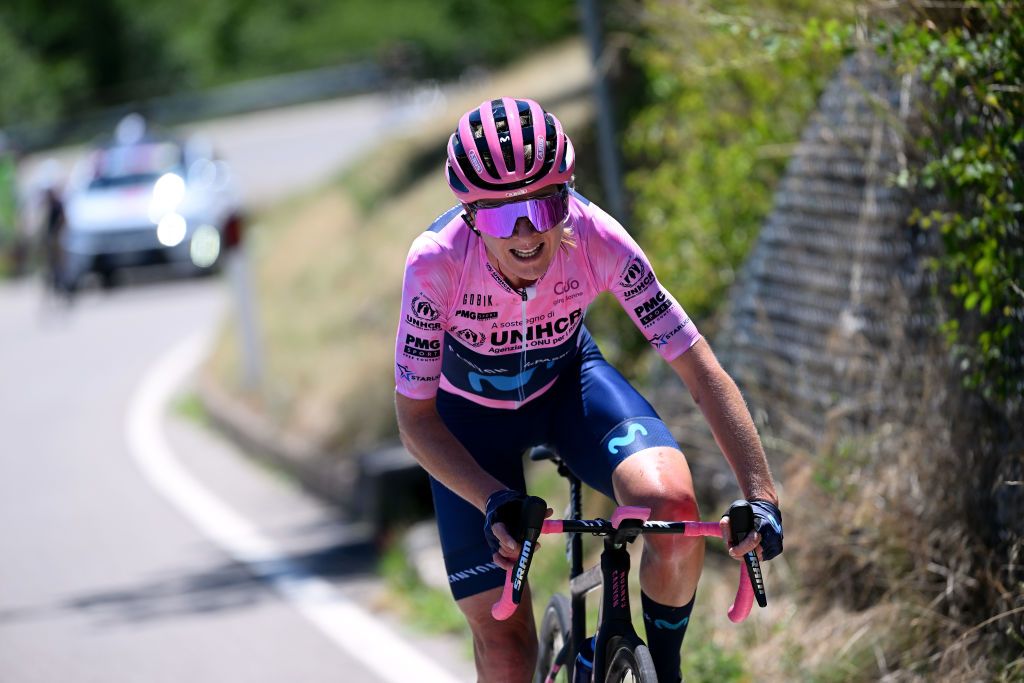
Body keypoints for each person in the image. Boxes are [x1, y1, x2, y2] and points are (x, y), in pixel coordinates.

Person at [394, 97, 783, 683]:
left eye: (545, 204)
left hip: (570, 387)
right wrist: (491, 499)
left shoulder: (596, 237)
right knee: (504, 652)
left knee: (674, 509)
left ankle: (663, 671)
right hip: (467, 426)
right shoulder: (435, 264)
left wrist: (761, 494)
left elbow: (700, 370)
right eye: (502, 217)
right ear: (471, 217)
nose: (527, 233)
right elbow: (416, 422)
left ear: (567, 197)